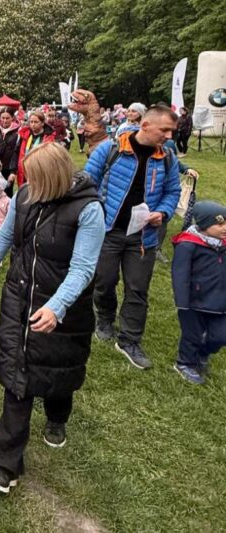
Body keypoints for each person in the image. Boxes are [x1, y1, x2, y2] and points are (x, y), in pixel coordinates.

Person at [0, 142, 105, 494]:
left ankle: (58, 417)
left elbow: (83, 268)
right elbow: (3, 236)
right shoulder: (26, 195)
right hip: (19, 298)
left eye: (37, 179)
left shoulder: (89, 210)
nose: (30, 186)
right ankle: (6, 464)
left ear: (56, 178)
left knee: (59, 373)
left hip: (63, 307)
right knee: (18, 376)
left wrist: (56, 307)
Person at [85, 106, 181, 369]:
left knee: (137, 290)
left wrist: (163, 211)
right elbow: (86, 182)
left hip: (143, 238)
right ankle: (104, 318)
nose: (169, 136)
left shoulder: (168, 158)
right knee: (104, 282)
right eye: (164, 130)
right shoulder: (110, 150)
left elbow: (173, 192)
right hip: (108, 233)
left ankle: (129, 340)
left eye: (172, 131)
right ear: (146, 125)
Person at [171, 201, 226, 385]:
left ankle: (203, 353)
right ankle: (185, 363)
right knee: (192, 335)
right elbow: (180, 273)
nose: (224, 228)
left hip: (221, 301)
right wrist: (182, 302)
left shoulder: (223, 245)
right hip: (194, 302)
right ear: (203, 225)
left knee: (221, 336)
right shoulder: (188, 244)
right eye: (219, 224)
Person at [10, 110, 55, 189]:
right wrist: (13, 171)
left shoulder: (48, 138)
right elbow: (16, 152)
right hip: (24, 173)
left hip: (40, 173)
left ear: (42, 123)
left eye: (36, 122)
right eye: (31, 122)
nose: (33, 125)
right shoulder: (25, 135)